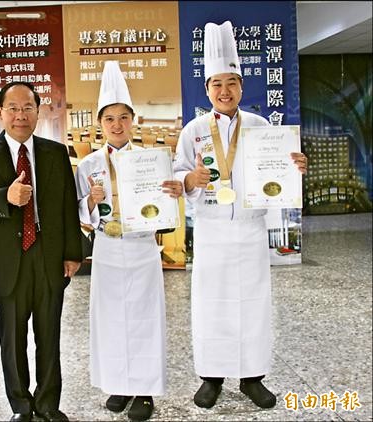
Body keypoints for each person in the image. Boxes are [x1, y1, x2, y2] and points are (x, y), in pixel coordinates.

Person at [173, 21, 308, 410]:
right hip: (213, 230)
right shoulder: (194, 130)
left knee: (253, 303)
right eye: (217, 84)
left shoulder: (261, 127)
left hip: (249, 230)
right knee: (210, 304)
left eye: (231, 83)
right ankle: (211, 378)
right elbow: (177, 173)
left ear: (242, 87)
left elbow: (279, 170)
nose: (225, 91)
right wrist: (190, 178)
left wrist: (294, 166)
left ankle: (252, 377)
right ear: (207, 89)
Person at [0, 81, 83, 422]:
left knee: (49, 335)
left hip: (48, 255)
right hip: (7, 260)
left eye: (27, 107)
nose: (20, 115)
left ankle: (47, 403)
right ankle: (20, 405)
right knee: (12, 340)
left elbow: (66, 208)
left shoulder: (55, 152)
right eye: (12, 108)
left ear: (38, 111)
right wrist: (5, 197)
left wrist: (73, 253)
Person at [74, 61, 183, 422]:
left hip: (140, 247)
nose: (117, 125)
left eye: (123, 117)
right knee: (109, 319)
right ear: (100, 123)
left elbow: (166, 208)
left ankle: (145, 390)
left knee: (143, 318)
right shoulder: (88, 164)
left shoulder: (151, 160)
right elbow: (80, 214)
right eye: (109, 119)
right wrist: (90, 200)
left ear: (133, 120)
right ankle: (118, 383)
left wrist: (168, 198)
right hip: (106, 245)